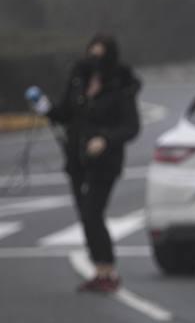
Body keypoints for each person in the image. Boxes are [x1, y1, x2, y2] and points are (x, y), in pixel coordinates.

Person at [43, 35, 141, 292]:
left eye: (100, 55)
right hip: (76, 159)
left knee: (93, 212)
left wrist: (105, 139)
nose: (94, 61)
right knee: (85, 216)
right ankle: (98, 269)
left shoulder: (121, 86)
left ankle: (108, 269)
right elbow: (64, 112)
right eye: (91, 54)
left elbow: (131, 127)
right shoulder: (79, 80)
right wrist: (46, 108)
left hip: (104, 163)